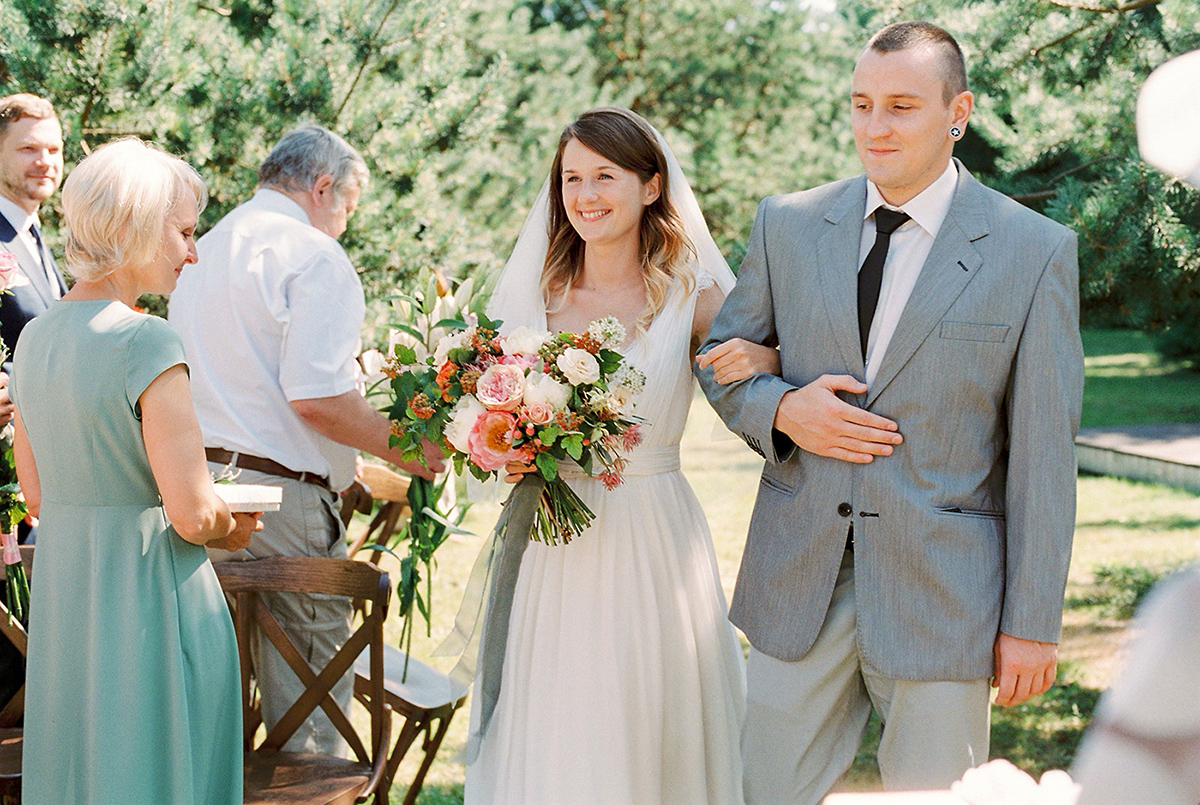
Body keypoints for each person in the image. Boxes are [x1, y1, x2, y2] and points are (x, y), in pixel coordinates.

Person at [696, 20, 1084, 803]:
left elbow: (1044, 455)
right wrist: (782, 410)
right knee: (762, 790)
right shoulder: (790, 223)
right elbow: (724, 366)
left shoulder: (1032, 249)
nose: (876, 127)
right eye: (862, 104)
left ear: (958, 111)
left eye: (902, 105)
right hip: (798, 580)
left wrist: (1033, 621)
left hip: (944, 594)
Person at [464, 106, 776, 805]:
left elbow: (765, 373)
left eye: (605, 175)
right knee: (558, 714)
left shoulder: (694, 295)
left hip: (653, 536)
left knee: (646, 710)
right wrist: (501, 448)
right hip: (552, 542)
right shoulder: (533, 299)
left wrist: (763, 352)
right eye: (571, 177)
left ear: (652, 186)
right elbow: (479, 413)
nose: (585, 195)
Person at [168, 124, 442, 754]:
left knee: (217, 708)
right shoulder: (313, 255)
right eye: (347, 207)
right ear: (323, 187)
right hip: (281, 506)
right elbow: (315, 397)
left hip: (199, 497)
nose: (344, 224)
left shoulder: (202, 251)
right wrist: (408, 451)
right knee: (311, 717)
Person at [11, 138, 261, 804]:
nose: (193, 249)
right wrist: (232, 524)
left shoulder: (33, 337)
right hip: (155, 600)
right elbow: (191, 511)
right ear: (136, 227)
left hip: (69, 603)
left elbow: (35, 492)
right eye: (184, 231)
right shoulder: (145, 339)